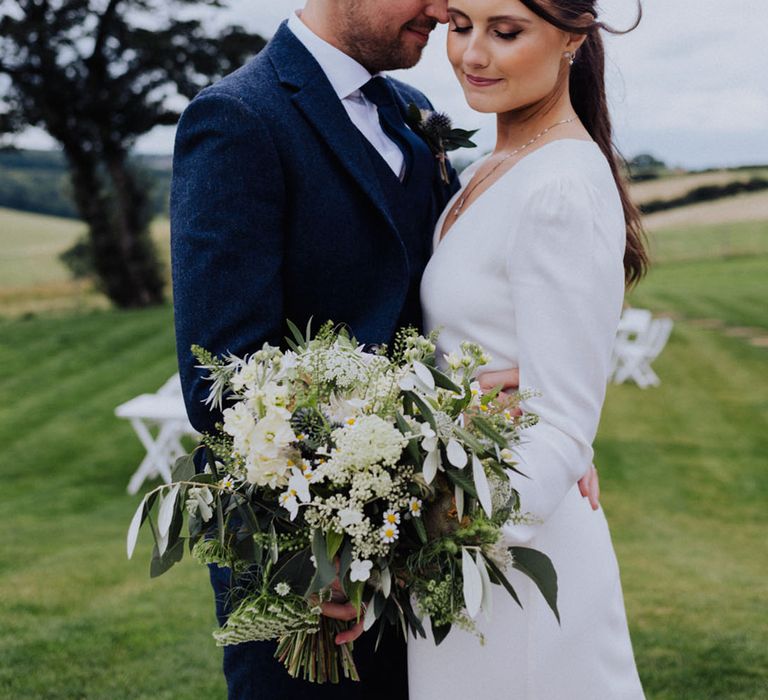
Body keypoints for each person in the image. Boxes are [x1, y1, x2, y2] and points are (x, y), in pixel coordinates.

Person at [171, 1, 599, 697]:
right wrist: (325, 550)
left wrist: (543, 420)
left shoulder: (411, 108)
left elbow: (457, 305)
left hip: (430, 566)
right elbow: (222, 381)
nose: (440, 9)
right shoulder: (239, 118)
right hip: (313, 577)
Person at [406, 0, 648, 698]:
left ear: (573, 36)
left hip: (512, 569)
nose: (471, 55)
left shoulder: (562, 187)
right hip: (466, 565)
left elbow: (564, 426)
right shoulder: (496, 164)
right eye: (459, 26)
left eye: (505, 32)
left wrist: (407, 541)